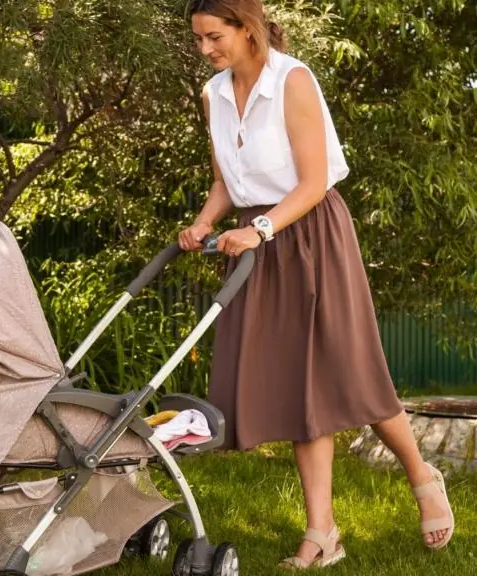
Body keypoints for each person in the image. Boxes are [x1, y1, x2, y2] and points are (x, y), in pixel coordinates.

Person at [177, 0, 455, 569]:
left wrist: (259, 229)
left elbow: (313, 181)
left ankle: (422, 475)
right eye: (199, 39)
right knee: (302, 387)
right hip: (256, 241)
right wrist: (206, 221)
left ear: (245, 27)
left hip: (309, 232)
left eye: (213, 37)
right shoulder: (213, 95)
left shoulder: (292, 81)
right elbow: (225, 181)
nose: (205, 50)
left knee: (349, 367)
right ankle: (321, 532)